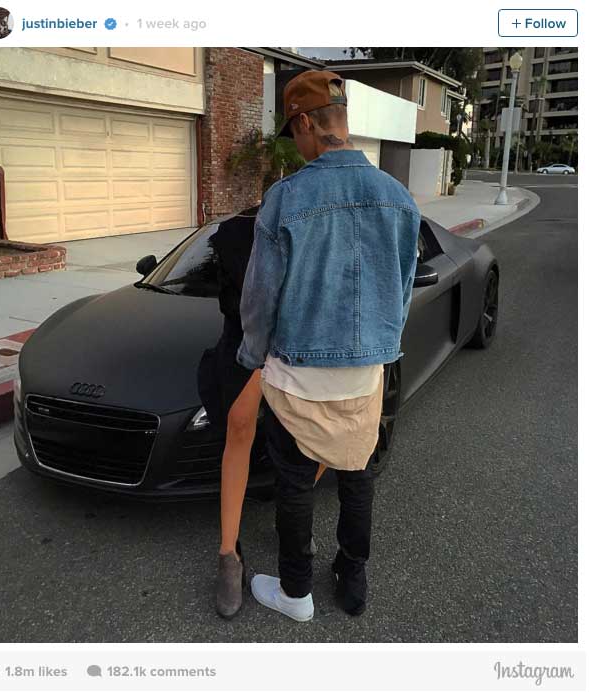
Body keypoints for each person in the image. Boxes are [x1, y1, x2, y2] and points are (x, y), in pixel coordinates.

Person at [236, 70, 420, 621]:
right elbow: (402, 289)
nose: (296, 144)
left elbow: (259, 297)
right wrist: (383, 346)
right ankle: (352, 579)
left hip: (297, 376)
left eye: (294, 132)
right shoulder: (398, 198)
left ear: (306, 123)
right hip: (365, 374)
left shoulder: (285, 199)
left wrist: (252, 356)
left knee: (295, 486)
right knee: (357, 476)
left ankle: (297, 593)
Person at [198, 210, 326, 620]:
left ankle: (289, 516)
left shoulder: (315, 223)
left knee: (317, 437)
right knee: (239, 431)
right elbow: (237, 303)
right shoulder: (236, 232)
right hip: (245, 344)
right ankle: (228, 555)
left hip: (300, 347)